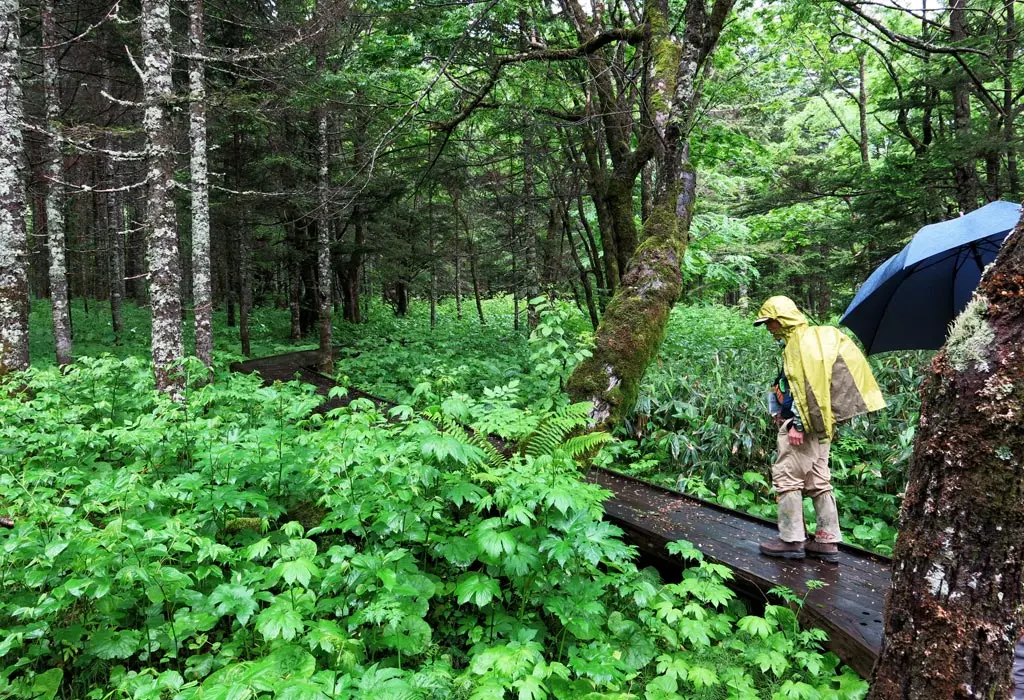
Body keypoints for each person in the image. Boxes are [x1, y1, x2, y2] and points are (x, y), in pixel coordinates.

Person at [753, 296, 885, 563]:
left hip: (803, 426)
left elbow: (811, 389)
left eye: (770, 323)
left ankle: (790, 540)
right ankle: (827, 541)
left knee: (787, 478)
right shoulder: (810, 340)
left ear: (780, 321)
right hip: (821, 424)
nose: (769, 330)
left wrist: (799, 424)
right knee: (818, 481)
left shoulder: (801, 345)